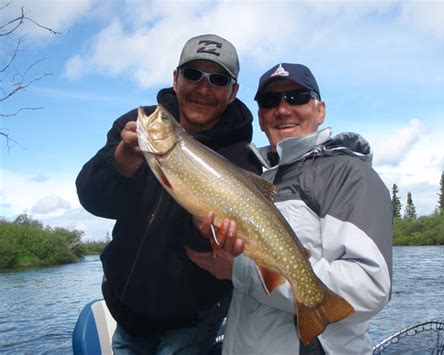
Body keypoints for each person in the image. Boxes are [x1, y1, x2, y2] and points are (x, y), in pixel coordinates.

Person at [187, 63, 393, 354]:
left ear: (320, 110)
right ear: (260, 118)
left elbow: (369, 287)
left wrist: (239, 270)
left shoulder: (349, 175)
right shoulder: (257, 180)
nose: (283, 109)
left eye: (297, 97)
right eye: (270, 101)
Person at [75, 34, 261, 354]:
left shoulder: (242, 157)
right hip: (128, 313)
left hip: (193, 319)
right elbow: (93, 200)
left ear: (233, 92)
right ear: (175, 79)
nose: (203, 88)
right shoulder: (138, 125)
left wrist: (209, 235)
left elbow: (230, 253)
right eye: (192, 74)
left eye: (218, 79)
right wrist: (123, 159)